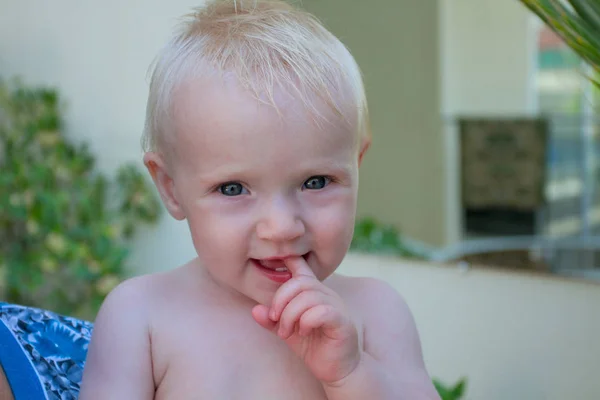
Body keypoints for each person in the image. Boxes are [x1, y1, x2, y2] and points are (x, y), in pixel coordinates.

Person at [79, 1, 439, 398]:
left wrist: (351, 374)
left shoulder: (376, 313)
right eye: (233, 189)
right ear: (170, 188)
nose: (282, 226)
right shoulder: (140, 317)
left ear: (356, 167)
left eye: (316, 181)